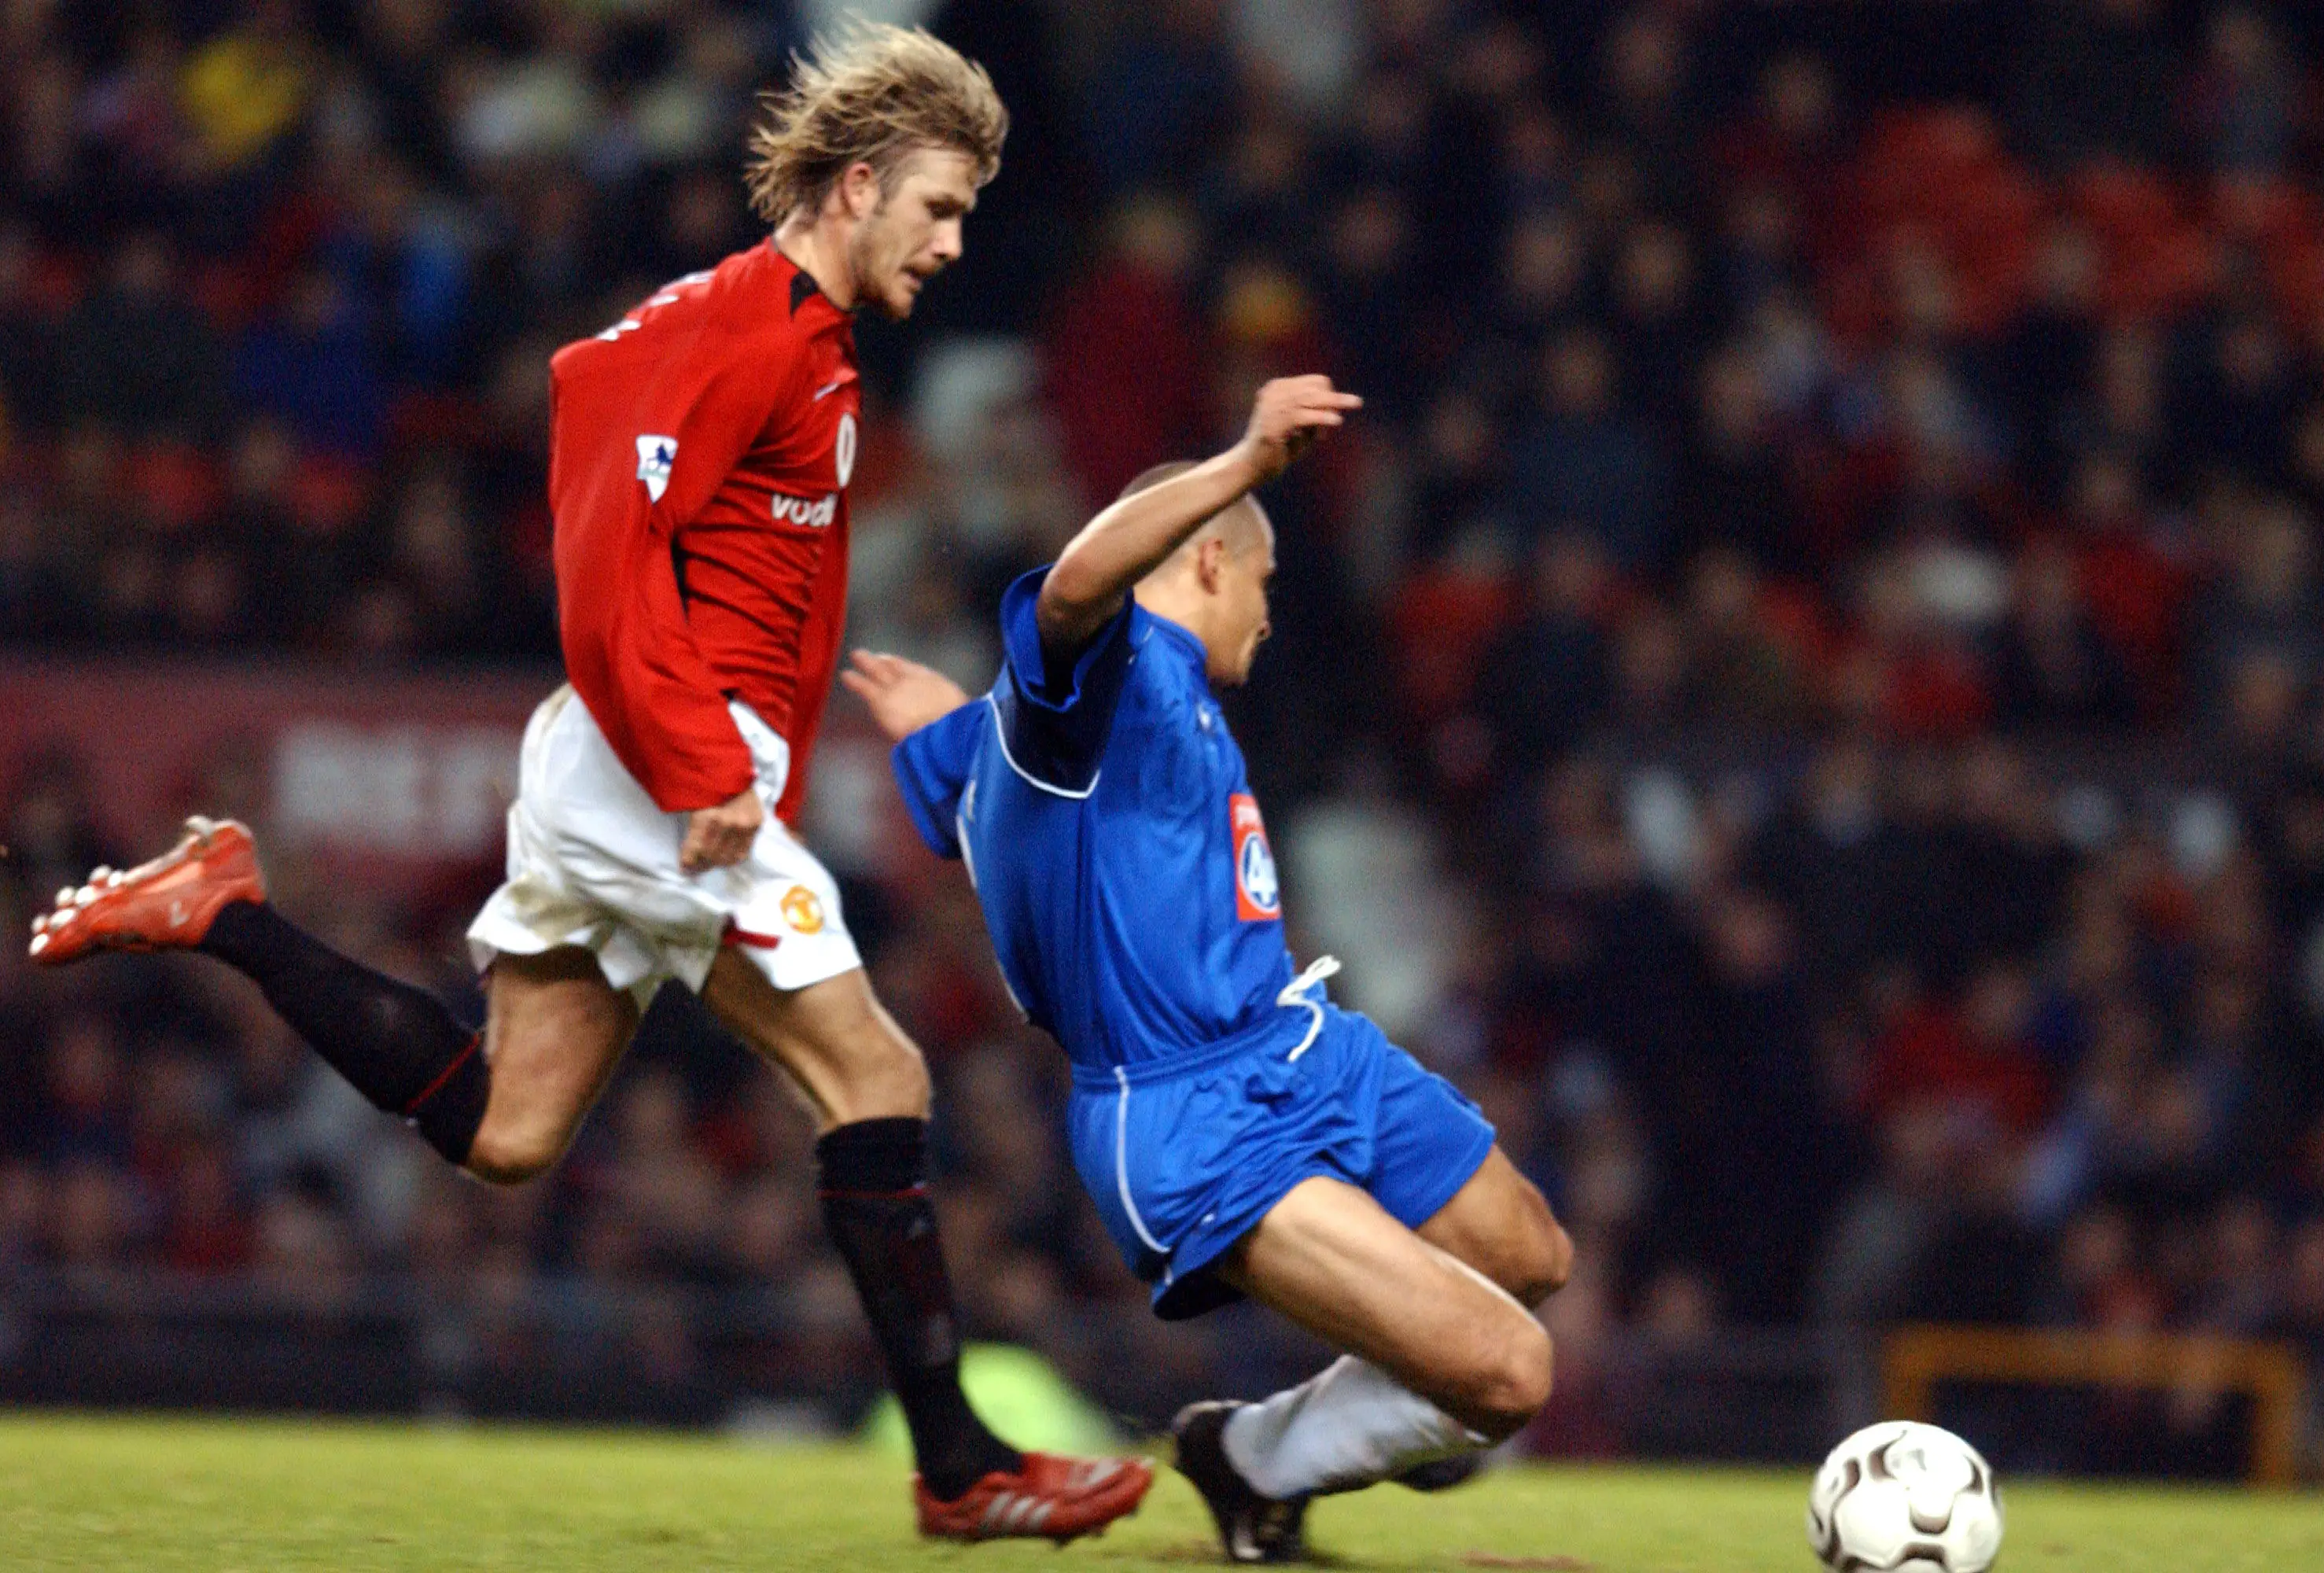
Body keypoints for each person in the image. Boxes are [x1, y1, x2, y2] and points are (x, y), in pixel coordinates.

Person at [28, 23, 1149, 1545]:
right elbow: (603, 572)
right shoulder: (739, 331)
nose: (955, 244)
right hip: (658, 770)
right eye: (941, 208)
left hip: (657, 762)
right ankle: (962, 1466)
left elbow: (644, 462)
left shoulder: (800, 342)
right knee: (875, 1077)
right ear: (860, 182)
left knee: (507, 1134)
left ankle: (227, 910)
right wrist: (703, 768)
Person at [842, 374, 1574, 1563]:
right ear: (1211, 562)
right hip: (1187, 1108)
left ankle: (1380, 1413)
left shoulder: (1045, 723)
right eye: (1266, 582)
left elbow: (972, 770)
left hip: (1300, 1042)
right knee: (1510, 1373)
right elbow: (1076, 585)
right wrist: (1242, 460)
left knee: (1530, 1256)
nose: (1273, 617)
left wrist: (932, 728)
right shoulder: (1104, 678)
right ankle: (1254, 1460)